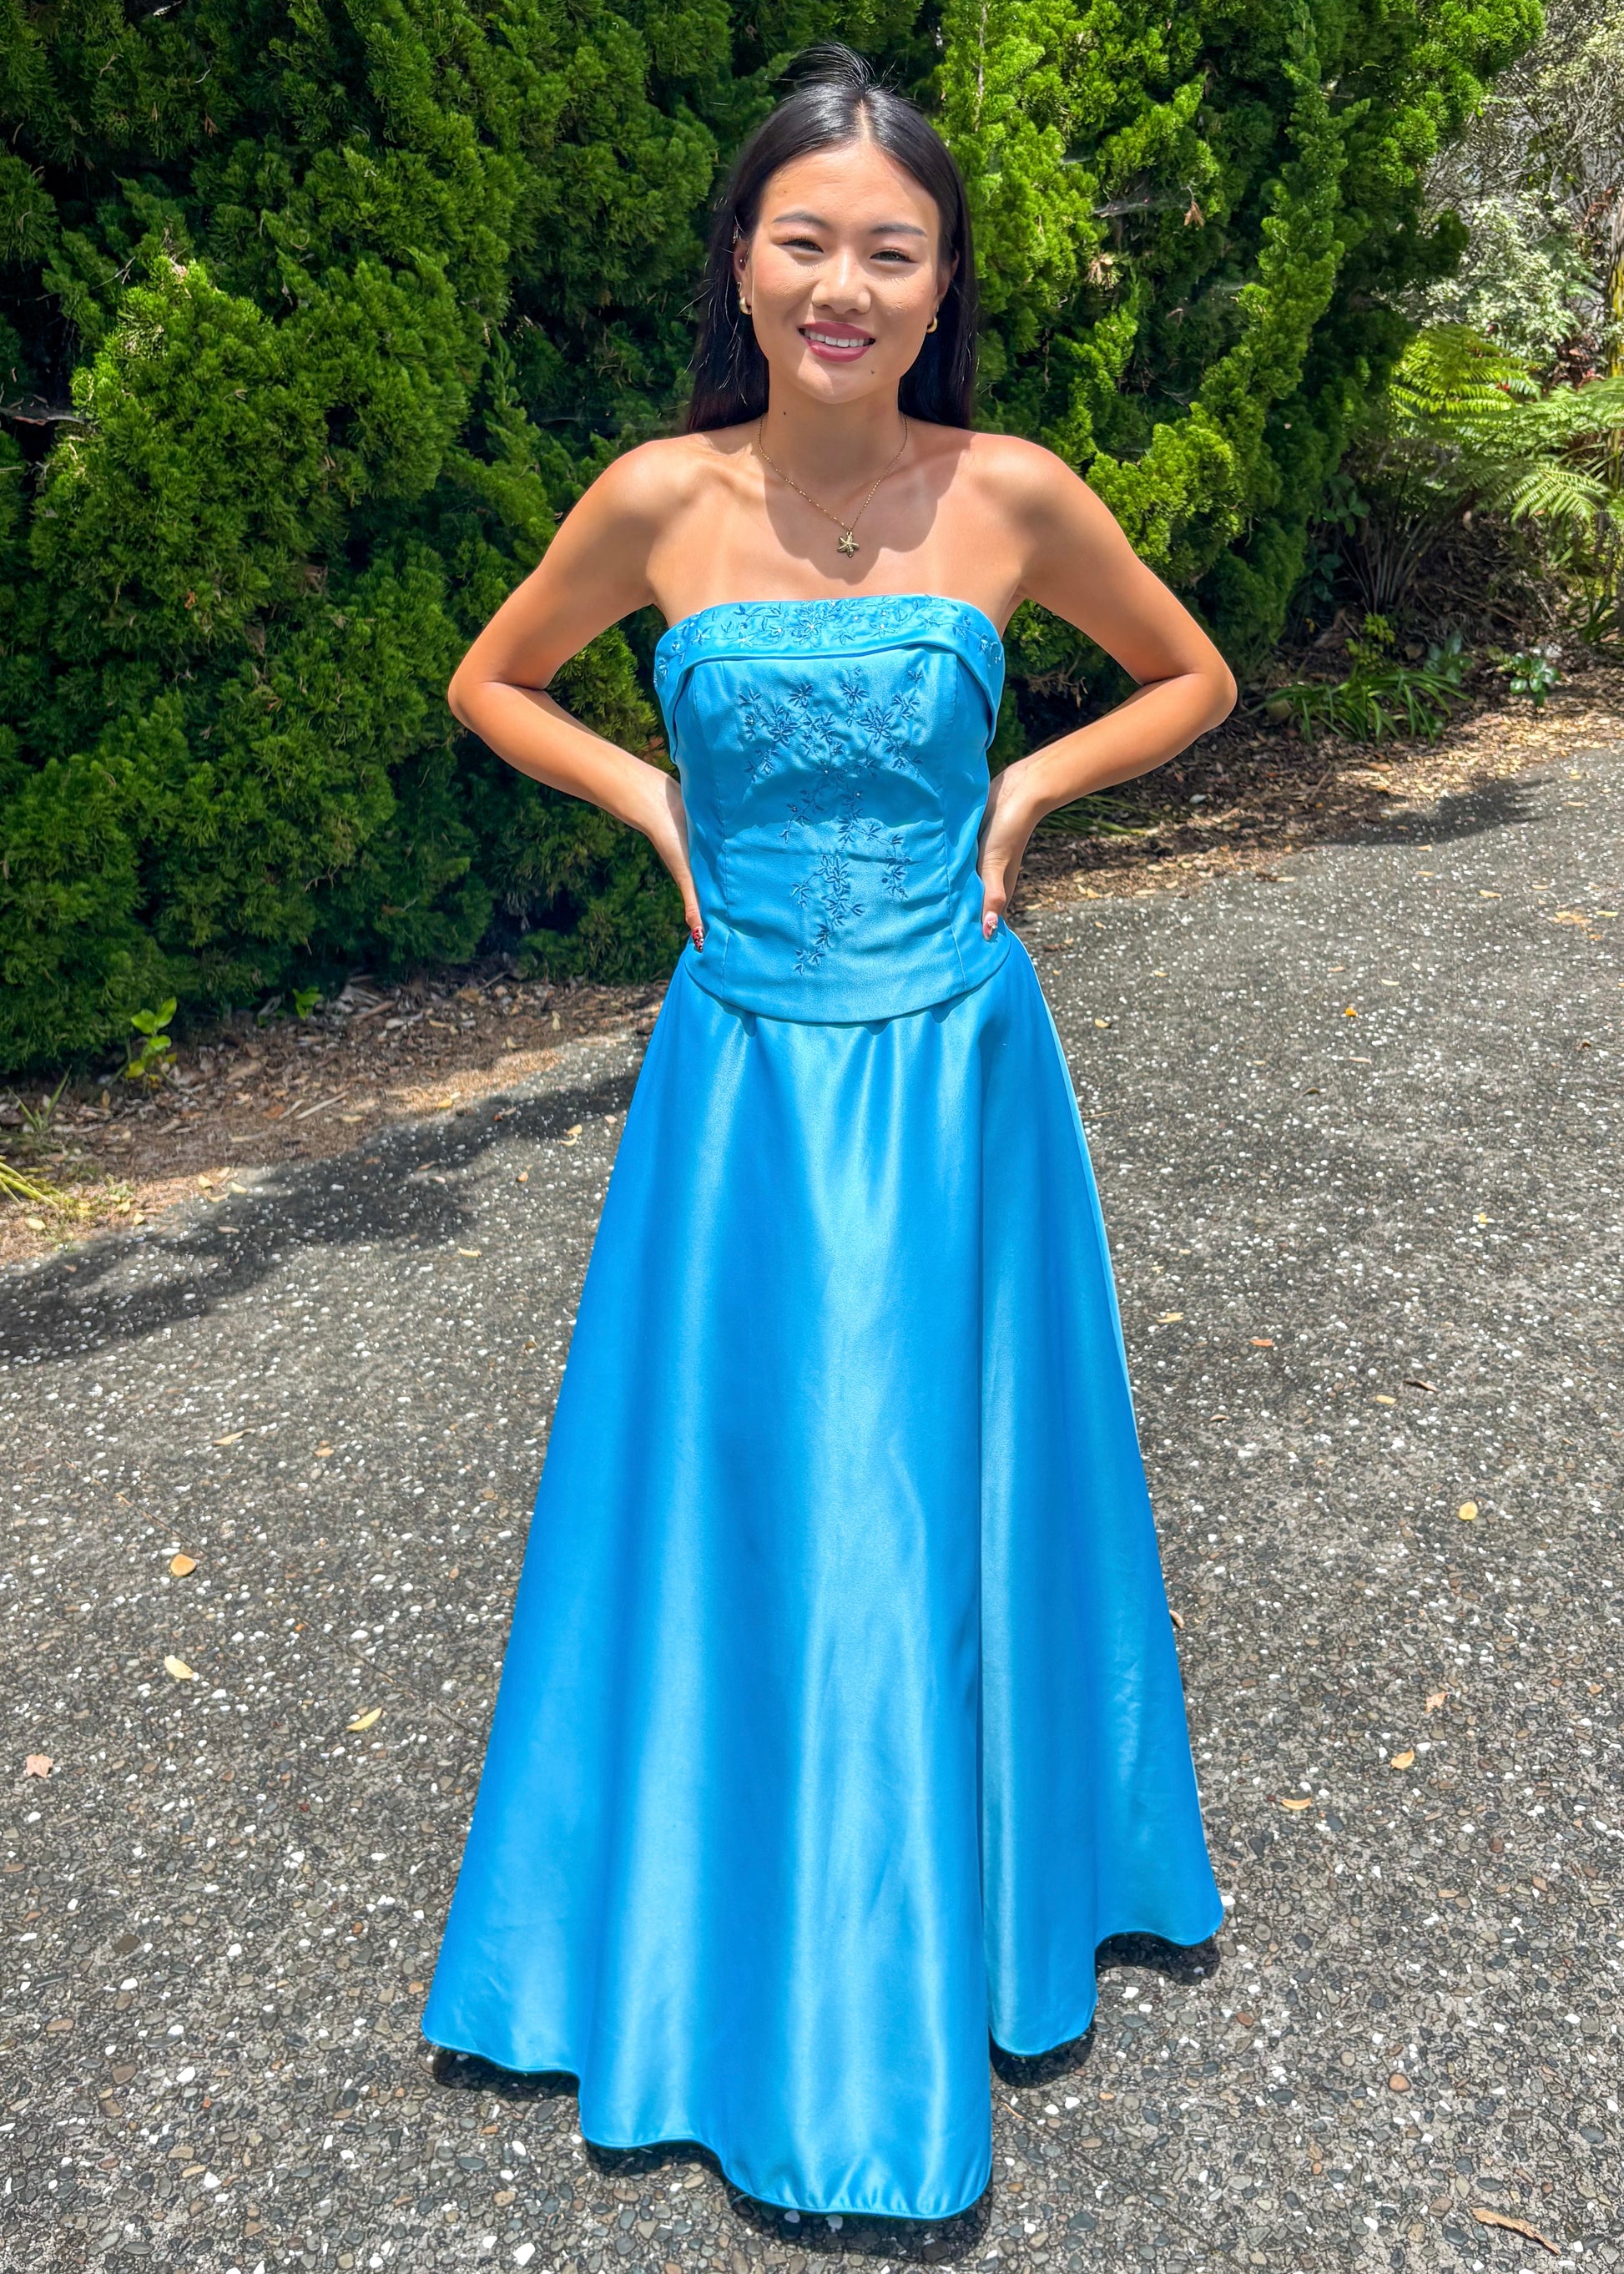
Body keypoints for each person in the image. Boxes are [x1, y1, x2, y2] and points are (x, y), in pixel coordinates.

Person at [422, 44, 1236, 2224]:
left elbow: (1191, 678)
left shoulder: (1015, 493)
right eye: (806, 243)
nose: (843, 286)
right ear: (743, 262)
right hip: (742, 1076)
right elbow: (493, 681)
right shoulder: (654, 499)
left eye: (891, 249)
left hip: (953, 1067)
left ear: (940, 279)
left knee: (920, 1472)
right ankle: (723, 1923)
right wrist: (649, 798)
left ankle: (928, 1933)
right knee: (738, 1485)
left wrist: (1030, 786)